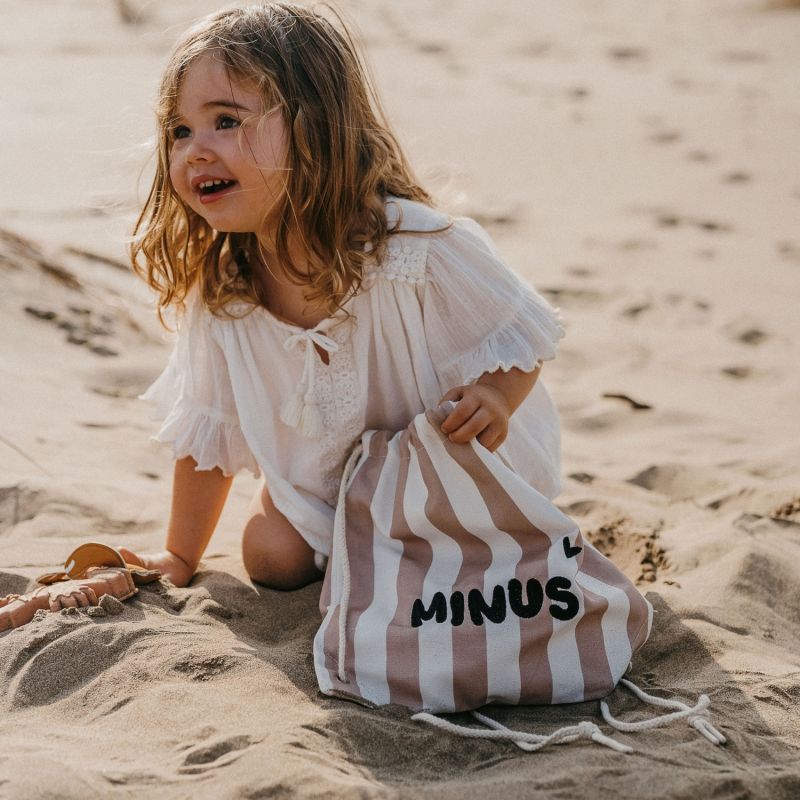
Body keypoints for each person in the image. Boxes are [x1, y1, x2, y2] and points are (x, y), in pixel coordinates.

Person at [121, 2, 565, 591]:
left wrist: (495, 396)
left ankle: (392, 549)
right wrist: (178, 555)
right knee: (270, 555)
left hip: (449, 474)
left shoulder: (413, 246)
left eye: (226, 120)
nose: (195, 149)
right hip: (329, 491)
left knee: (460, 561)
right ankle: (348, 536)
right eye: (179, 131)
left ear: (316, 126)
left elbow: (520, 330)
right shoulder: (227, 291)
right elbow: (209, 435)